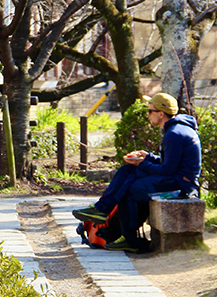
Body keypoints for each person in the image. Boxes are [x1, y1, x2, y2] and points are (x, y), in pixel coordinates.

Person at [72, 92, 201, 251]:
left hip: (181, 187)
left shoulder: (174, 134)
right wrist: (148, 157)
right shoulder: (175, 129)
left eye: (150, 111)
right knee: (127, 170)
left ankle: (131, 240)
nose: (148, 114)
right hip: (175, 179)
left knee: (131, 189)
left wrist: (142, 164)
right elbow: (169, 163)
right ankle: (101, 210)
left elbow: (168, 170)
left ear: (161, 114)